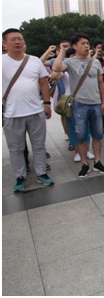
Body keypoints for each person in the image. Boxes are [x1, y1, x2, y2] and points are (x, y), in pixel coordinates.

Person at [2, 28, 54, 191]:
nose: (18, 42)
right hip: (11, 114)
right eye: (13, 39)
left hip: (35, 111)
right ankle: (20, 176)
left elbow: (44, 82)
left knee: (39, 146)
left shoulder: (34, 61)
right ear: (4, 44)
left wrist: (46, 103)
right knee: (16, 148)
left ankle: (41, 173)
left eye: (20, 39)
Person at [52, 32, 104, 178]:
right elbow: (57, 68)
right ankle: (84, 163)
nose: (86, 46)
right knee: (82, 136)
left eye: (87, 43)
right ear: (75, 46)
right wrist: (63, 51)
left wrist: (103, 102)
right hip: (79, 105)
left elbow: (101, 83)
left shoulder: (95, 62)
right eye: (82, 43)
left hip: (96, 103)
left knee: (97, 134)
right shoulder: (70, 62)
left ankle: (97, 161)